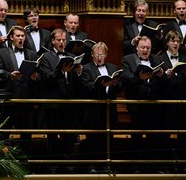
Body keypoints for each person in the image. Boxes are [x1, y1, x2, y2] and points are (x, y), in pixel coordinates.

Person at [0, 26, 39, 152]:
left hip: (26, 100)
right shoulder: (2, 53)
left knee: (26, 134)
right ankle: (3, 162)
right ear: (11, 37)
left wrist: (35, 77)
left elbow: (38, 76)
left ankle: (25, 162)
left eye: (23, 36)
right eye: (18, 36)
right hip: (8, 99)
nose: (21, 38)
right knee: (4, 133)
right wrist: (9, 75)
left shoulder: (32, 54)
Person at [37, 29, 83, 162]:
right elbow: (46, 77)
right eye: (59, 40)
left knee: (68, 136)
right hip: (53, 104)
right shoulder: (46, 57)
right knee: (52, 136)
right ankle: (52, 165)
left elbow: (74, 83)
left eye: (64, 40)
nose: (62, 42)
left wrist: (78, 72)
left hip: (69, 104)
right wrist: (61, 70)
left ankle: (67, 164)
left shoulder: (70, 56)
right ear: (53, 41)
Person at [120, 36, 166, 167]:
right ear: (137, 48)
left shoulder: (157, 59)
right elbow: (125, 77)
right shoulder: (128, 59)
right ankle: (136, 167)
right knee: (136, 137)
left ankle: (153, 166)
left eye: (148, 48)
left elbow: (164, 83)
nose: (145, 50)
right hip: (136, 105)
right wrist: (138, 77)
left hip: (154, 106)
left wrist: (161, 75)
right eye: (142, 47)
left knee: (153, 138)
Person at [77, 42, 123, 171]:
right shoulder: (85, 68)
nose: (99, 56)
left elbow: (120, 86)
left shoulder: (113, 68)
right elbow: (86, 87)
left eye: (101, 54)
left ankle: (107, 165)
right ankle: (92, 166)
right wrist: (100, 84)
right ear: (92, 55)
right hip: (93, 110)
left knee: (108, 139)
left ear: (106, 55)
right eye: (96, 54)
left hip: (109, 110)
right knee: (93, 140)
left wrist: (114, 84)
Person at [157, 30, 186, 164]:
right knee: (165, 135)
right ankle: (165, 163)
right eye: (173, 41)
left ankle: (182, 163)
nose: (175, 43)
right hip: (166, 103)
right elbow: (157, 82)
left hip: (182, 102)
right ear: (167, 42)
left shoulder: (184, 58)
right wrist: (165, 76)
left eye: (178, 41)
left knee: (183, 135)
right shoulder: (160, 59)